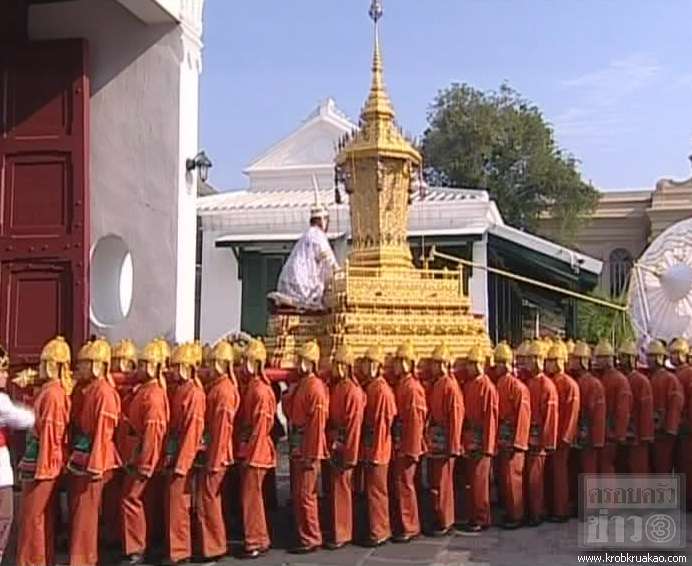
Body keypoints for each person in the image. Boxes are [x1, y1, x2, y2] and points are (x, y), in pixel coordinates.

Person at [16, 337, 70, 566]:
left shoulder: (53, 395)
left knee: (32, 517)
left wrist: (44, 466)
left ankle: (32, 561)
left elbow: (50, 432)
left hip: (44, 460)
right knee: (39, 516)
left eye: (42, 364)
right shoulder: (49, 391)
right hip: (41, 457)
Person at [69, 338, 121, 566]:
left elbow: (103, 432)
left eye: (84, 363)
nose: (79, 367)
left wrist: (96, 465)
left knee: (86, 512)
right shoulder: (89, 390)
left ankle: (83, 559)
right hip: (86, 451)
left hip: (96, 456)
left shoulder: (104, 393)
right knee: (80, 508)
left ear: (96, 365)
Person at [119, 340, 169, 566]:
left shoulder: (154, 396)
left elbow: (153, 432)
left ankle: (136, 548)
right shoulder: (145, 391)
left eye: (143, 364)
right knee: (145, 500)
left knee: (131, 498)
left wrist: (146, 462)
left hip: (144, 456)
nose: (138, 368)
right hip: (137, 453)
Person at [196, 340, 240, 563]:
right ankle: (212, 544)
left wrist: (214, 460)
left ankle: (213, 546)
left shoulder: (224, 392)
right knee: (209, 498)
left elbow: (222, 430)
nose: (209, 368)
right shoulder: (219, 387)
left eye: (213, 363)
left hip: (218, 455)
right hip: (215, 451)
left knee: (209, 499)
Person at [283, 340, 329, 554]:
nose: (298, 363)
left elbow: (317, 425)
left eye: (302, 359)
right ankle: (303, 534)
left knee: (306, 495)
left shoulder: (316, 388)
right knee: (298, 494)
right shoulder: (302, 384)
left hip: (307, 447)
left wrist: (312, 452)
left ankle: (312, 537)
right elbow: (290, 411)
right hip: (297, 444)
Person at [163, 343, 206, 566]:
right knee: (176, 502)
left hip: (185, 456)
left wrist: (182, 463)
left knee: (180, 503)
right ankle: (177, 548)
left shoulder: (194, 395)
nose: (175, 371)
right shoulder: (180, 390)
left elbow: (192, 432)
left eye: (179, 366)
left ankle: (180, 551)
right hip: (177, 451)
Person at [236, 339, 276, 559]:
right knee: (252, 497)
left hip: (257, 451)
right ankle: (259, 537)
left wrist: (252, 452)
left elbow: (260, 427)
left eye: (246, 361)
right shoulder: (254, 387)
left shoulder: (260, 391)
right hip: (252, 448)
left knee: (251, 498)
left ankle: (255, 540)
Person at [273, 192, 339, 311]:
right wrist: (341, 276)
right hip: (302, 288)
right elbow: (330, 264)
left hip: (286, 283)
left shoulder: (307, 235)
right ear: (323, 220)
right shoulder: (318, 236)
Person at [359, 344, 397, 547]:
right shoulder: (371, 387)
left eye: (370, 363)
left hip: (378, 448)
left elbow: (383, 423)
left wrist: (375, 449)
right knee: (372, 491)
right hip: (371, 445)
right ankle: (376, 528)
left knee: (377, 492)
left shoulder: (381, 390)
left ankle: (380, 531)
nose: (366, 367)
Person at [425, 343, 464, 536]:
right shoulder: (437, 384)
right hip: (436, 437)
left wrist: (453, 445)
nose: (433, 366)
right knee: (435, 481)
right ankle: (437, 515)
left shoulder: (450, 386)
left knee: (444, 482)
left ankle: (446, 520)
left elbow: (456, 417)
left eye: (436, 363)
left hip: (446, 438)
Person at [390, 341, 427, 543]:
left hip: (407, 443)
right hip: (400, 441)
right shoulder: (402, 385)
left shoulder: (412, 389)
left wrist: (411, 449)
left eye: (398, 361)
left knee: (406, 484)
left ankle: (410, 526)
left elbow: (415, 422)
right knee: (401, 483)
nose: (395, 365)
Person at [461, 344, 498, 532]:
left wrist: (488, 446)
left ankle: (482, 517)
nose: (470, 367)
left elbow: (491, 419)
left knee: (480, 481)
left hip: (481, 439)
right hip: (471, 438)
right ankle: (473, 515)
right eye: (469, 363)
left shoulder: (487, 388)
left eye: (473, 363)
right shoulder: (469, 385)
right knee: (472, 480)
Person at [494, 341, 530, 529]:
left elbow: (522, 415)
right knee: (505, 478)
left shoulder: (518, 387)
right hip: (503, 435)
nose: (498, 366)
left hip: (514, 437)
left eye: (501, 363)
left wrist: (518, 441)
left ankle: (517, 515)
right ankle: (509, 511)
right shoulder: (498, 383)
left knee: (513, 477)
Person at [544, 340, 579, 522]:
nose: (547, 364)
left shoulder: (569, 384)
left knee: (560, 475)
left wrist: (566, 436)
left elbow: (572, 413)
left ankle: (561, 510)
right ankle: (552, 507)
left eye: (551, 361)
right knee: (552, 474)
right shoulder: (550, 382)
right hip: (551, 436)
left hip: (561, 438)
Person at [524, 340, 558, 526]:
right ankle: (533, 511)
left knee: (536, 479)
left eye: (530, 359)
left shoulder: (547, 386)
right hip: (530, 435)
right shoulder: (530, 382)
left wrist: (545, 441)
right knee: (530, 479)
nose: (527, 363)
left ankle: (537, 513)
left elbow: (550, 417)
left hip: (539, 440)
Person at [593, 339, 632, 474]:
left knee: (607, 468)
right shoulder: (599, 378)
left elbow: (623, 410)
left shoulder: (620, 380)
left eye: (600, 358)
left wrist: (619, 434)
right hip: (601, 432)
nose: (597, 361)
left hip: (610, 434)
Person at [569, 341, 605, 475]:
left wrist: (593, 437)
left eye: (575, 359)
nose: (571, 362)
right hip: (579, 435)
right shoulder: (577, 381)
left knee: (589, 470)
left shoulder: (593, 384)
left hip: (588, 437)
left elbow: (595, 414)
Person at [617, 340, 653, 473]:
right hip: (622, 431)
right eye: (621, 357)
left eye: (626, 357)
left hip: (637, 432)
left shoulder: (641, 381)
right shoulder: (619, 378)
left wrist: (645, 435)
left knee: (638, 468)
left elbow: (646, 410)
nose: (622, 361)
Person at [647, 340, 683, 474]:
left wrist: (670, 428)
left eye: (652, 356)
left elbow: (675, 404)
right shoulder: (650, 378)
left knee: (663, 467)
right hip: (651, 431)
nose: (649, 359)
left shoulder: (670, 379)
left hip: (664, 433)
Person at [668, 338, 692, 509]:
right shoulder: (674, 374)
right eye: (672, 353)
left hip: (685, 426)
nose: (674, 356)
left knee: (686, 463)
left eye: (677, 353)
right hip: (676, 425)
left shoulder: (689, 374)